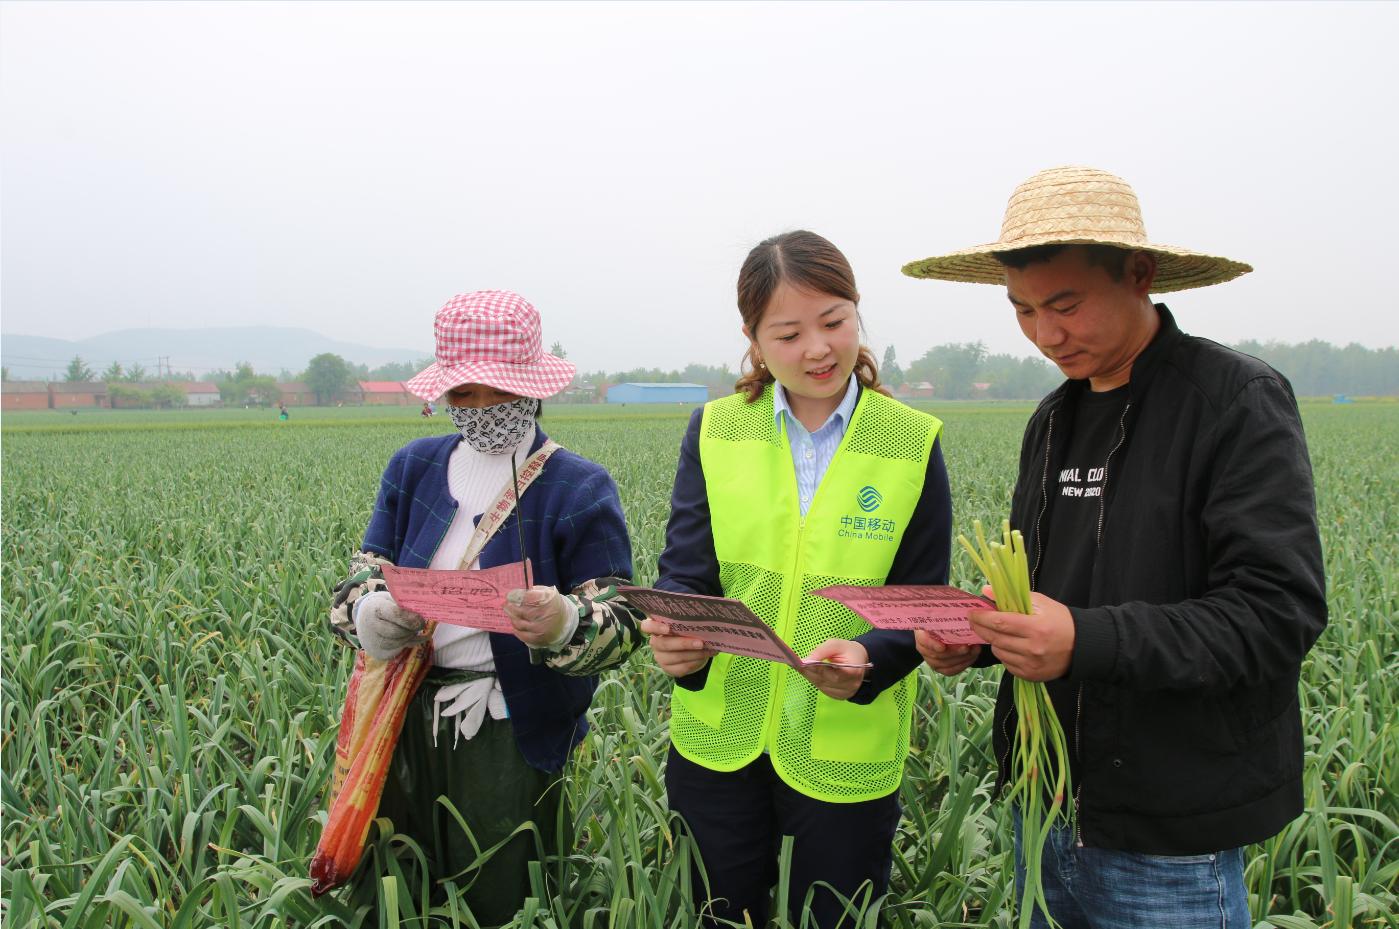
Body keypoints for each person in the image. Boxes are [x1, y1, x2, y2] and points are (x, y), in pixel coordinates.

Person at [902, 166, 1327, 928]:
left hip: (1167, 830)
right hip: (1045, 807)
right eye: (1023, 310)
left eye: (1064, 305)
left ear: (1139, 273)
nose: (1045, 334)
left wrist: (1082, 639)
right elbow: (1051, 599)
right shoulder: (1051, 419)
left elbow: (1275, 612)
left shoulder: (1232, 402)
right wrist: (982, 640)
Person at [641, 231, 953, 927]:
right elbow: (685, 573)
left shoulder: (911, 442)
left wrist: (871, 657)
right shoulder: (716, 429)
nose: (817, 348)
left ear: (857, 314)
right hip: (720, 741)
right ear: (753, 338)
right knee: (722, 916)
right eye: (787, 333)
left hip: (842, 743)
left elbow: (918, 600)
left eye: (834, 322)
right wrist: (677, 640)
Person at [326, 290, 645, 923]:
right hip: (403, 709)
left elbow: (624, 617)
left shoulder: (577, 485)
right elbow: (362, 574)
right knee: (395, 875)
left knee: (500, 890)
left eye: (499, 391)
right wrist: (369, 615)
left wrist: (565, 623)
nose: (482, 408)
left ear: (531, 387)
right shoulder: (414, 467)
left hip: (509, 721)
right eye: (465, 393)